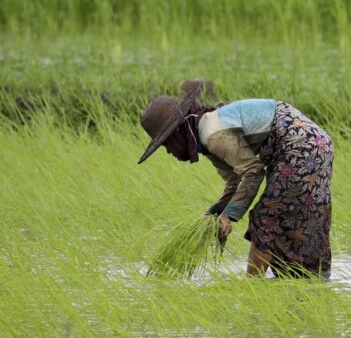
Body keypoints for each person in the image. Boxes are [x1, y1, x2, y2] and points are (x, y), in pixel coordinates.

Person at [138, 82, 333, 278]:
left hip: (300, 146)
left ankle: (252, 287)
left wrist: (228, 216)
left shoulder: (213, 134)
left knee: (266, 218)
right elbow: (235, 182)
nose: (169, 151)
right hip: (317, 143)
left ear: (178, 133)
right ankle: (310, 279)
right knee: (300, 218)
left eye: (166, 144)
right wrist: (214, 214)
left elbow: (253, 172)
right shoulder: (206, 135)